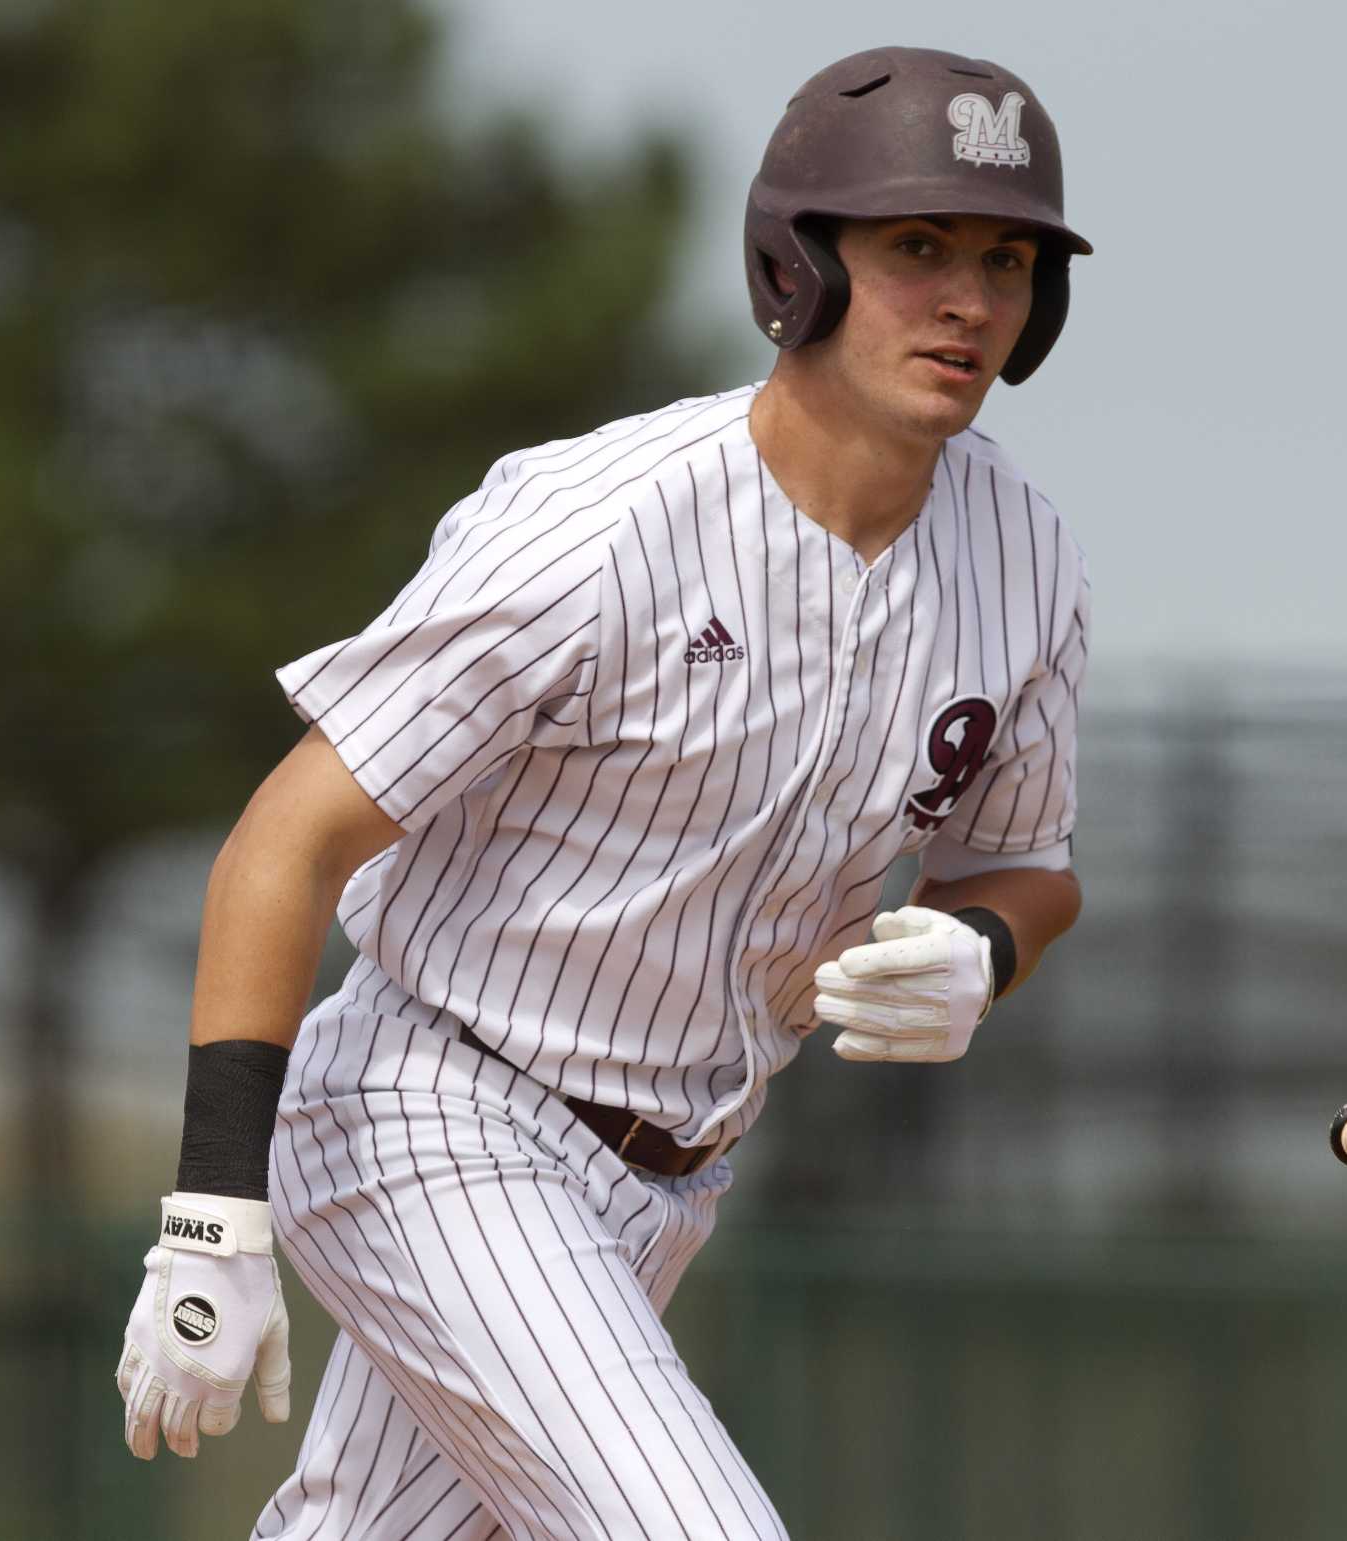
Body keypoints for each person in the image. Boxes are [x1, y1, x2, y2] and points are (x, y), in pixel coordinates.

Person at [113, 44, 1092, 1540]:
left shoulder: (1022, 556)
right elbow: (284, 842)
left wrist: (984, 947)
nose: (970, 297)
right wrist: (208, 1212)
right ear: (800, 265)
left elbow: (1027, 860)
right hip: (434, 1111)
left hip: (664, 1184)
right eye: (918, 247)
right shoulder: (603, 521)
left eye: (1009, 259)